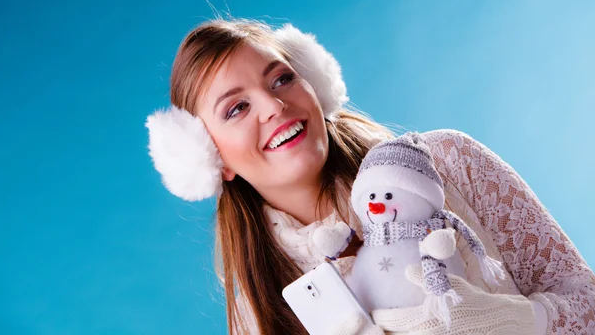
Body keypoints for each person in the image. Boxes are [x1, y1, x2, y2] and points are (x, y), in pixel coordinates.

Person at [145, 19, 595, 334]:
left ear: (314, 86)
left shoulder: (446, 161)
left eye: (281, 79)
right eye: (237, 108)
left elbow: (587, 303)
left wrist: (518, 323)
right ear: (210, 158)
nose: (274, 107)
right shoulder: (260, 305)